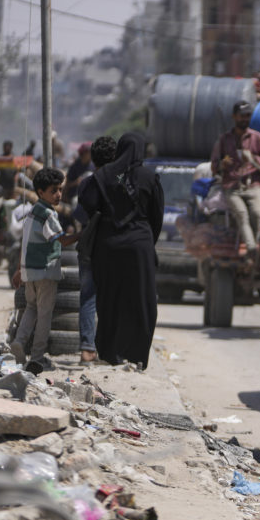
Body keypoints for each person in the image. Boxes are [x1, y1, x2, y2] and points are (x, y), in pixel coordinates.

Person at [79, 132, 164, 369]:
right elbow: (157, 216)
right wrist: (145, 241)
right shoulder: (149, 177)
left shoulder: (105, 175)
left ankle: (110, 352)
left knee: (109, 299)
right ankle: (137, 355)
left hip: (108, 246)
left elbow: (87, 203)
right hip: (140, 246)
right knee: (142, 301)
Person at [10, 167, 79, 374]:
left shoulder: (32, 211)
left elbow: (25, 243)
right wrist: (83, 234)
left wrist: (19, 270)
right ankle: (38, 358)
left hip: (29, 271)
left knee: (31, 308)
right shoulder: (48, 214)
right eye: (53, 190)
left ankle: (20, 342)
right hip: (46, 272)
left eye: (60, 190)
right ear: (41, 192)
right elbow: (62, 240)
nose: (58, 194)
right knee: (45, 314)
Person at [211, 101, 260, 257]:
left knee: (257, 213)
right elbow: (214, 166)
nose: (244, 119)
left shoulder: (258, 138)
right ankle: (252, 248)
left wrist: (253, 158)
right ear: (234, 117)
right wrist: (222, 164)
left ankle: (259, 245)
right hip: (232, 187)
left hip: (253, 185)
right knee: (241, 214)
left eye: (248, 115)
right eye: (242, 115)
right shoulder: (224, 140)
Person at [74, 136, 116, 364]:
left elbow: (79, 215)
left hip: (90, 246)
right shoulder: (119, 181)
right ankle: (108, 349)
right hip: (113, 247)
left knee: (88, 297)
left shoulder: (86, 183)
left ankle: (87, 350)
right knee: (111, 298)